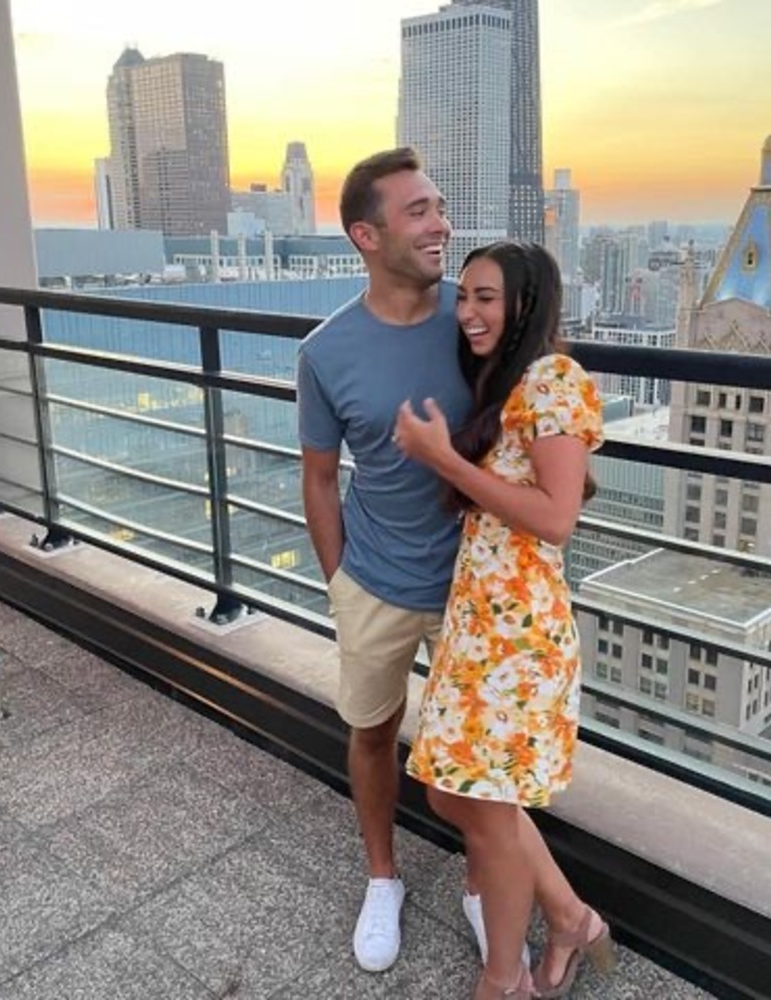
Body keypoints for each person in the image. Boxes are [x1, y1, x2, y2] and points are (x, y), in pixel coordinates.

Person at [393, 241, 616, 999]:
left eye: (486, 297)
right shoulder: (508, 383)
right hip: (481, 626)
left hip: (518, 638)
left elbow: (555, 518)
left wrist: (444, 460)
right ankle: (571, 919)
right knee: (450, 793)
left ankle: (503, 981)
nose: (467, 312)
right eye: (464, 296)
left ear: (526, 303)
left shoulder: (553, 379)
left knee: (484, 807)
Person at [297, 147, 479, 973]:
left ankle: (483, 882)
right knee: (371, 732)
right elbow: (319, 476)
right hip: (372, 579)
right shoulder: (326, 351)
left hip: (477, 584)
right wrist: (338, 580)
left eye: (438, 206)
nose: (441, 223)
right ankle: (383, 876)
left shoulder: (478, 323)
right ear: (365, 236)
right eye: (419, 211)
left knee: (476, 745)